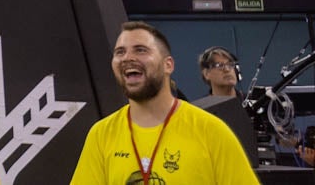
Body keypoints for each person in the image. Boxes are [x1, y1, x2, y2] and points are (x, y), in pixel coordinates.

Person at [69, 21, 258, 185]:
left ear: (168, 65)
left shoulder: (211, 131)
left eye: (140, 50)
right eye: (120, 52)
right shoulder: (101, 135)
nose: (127, 58)